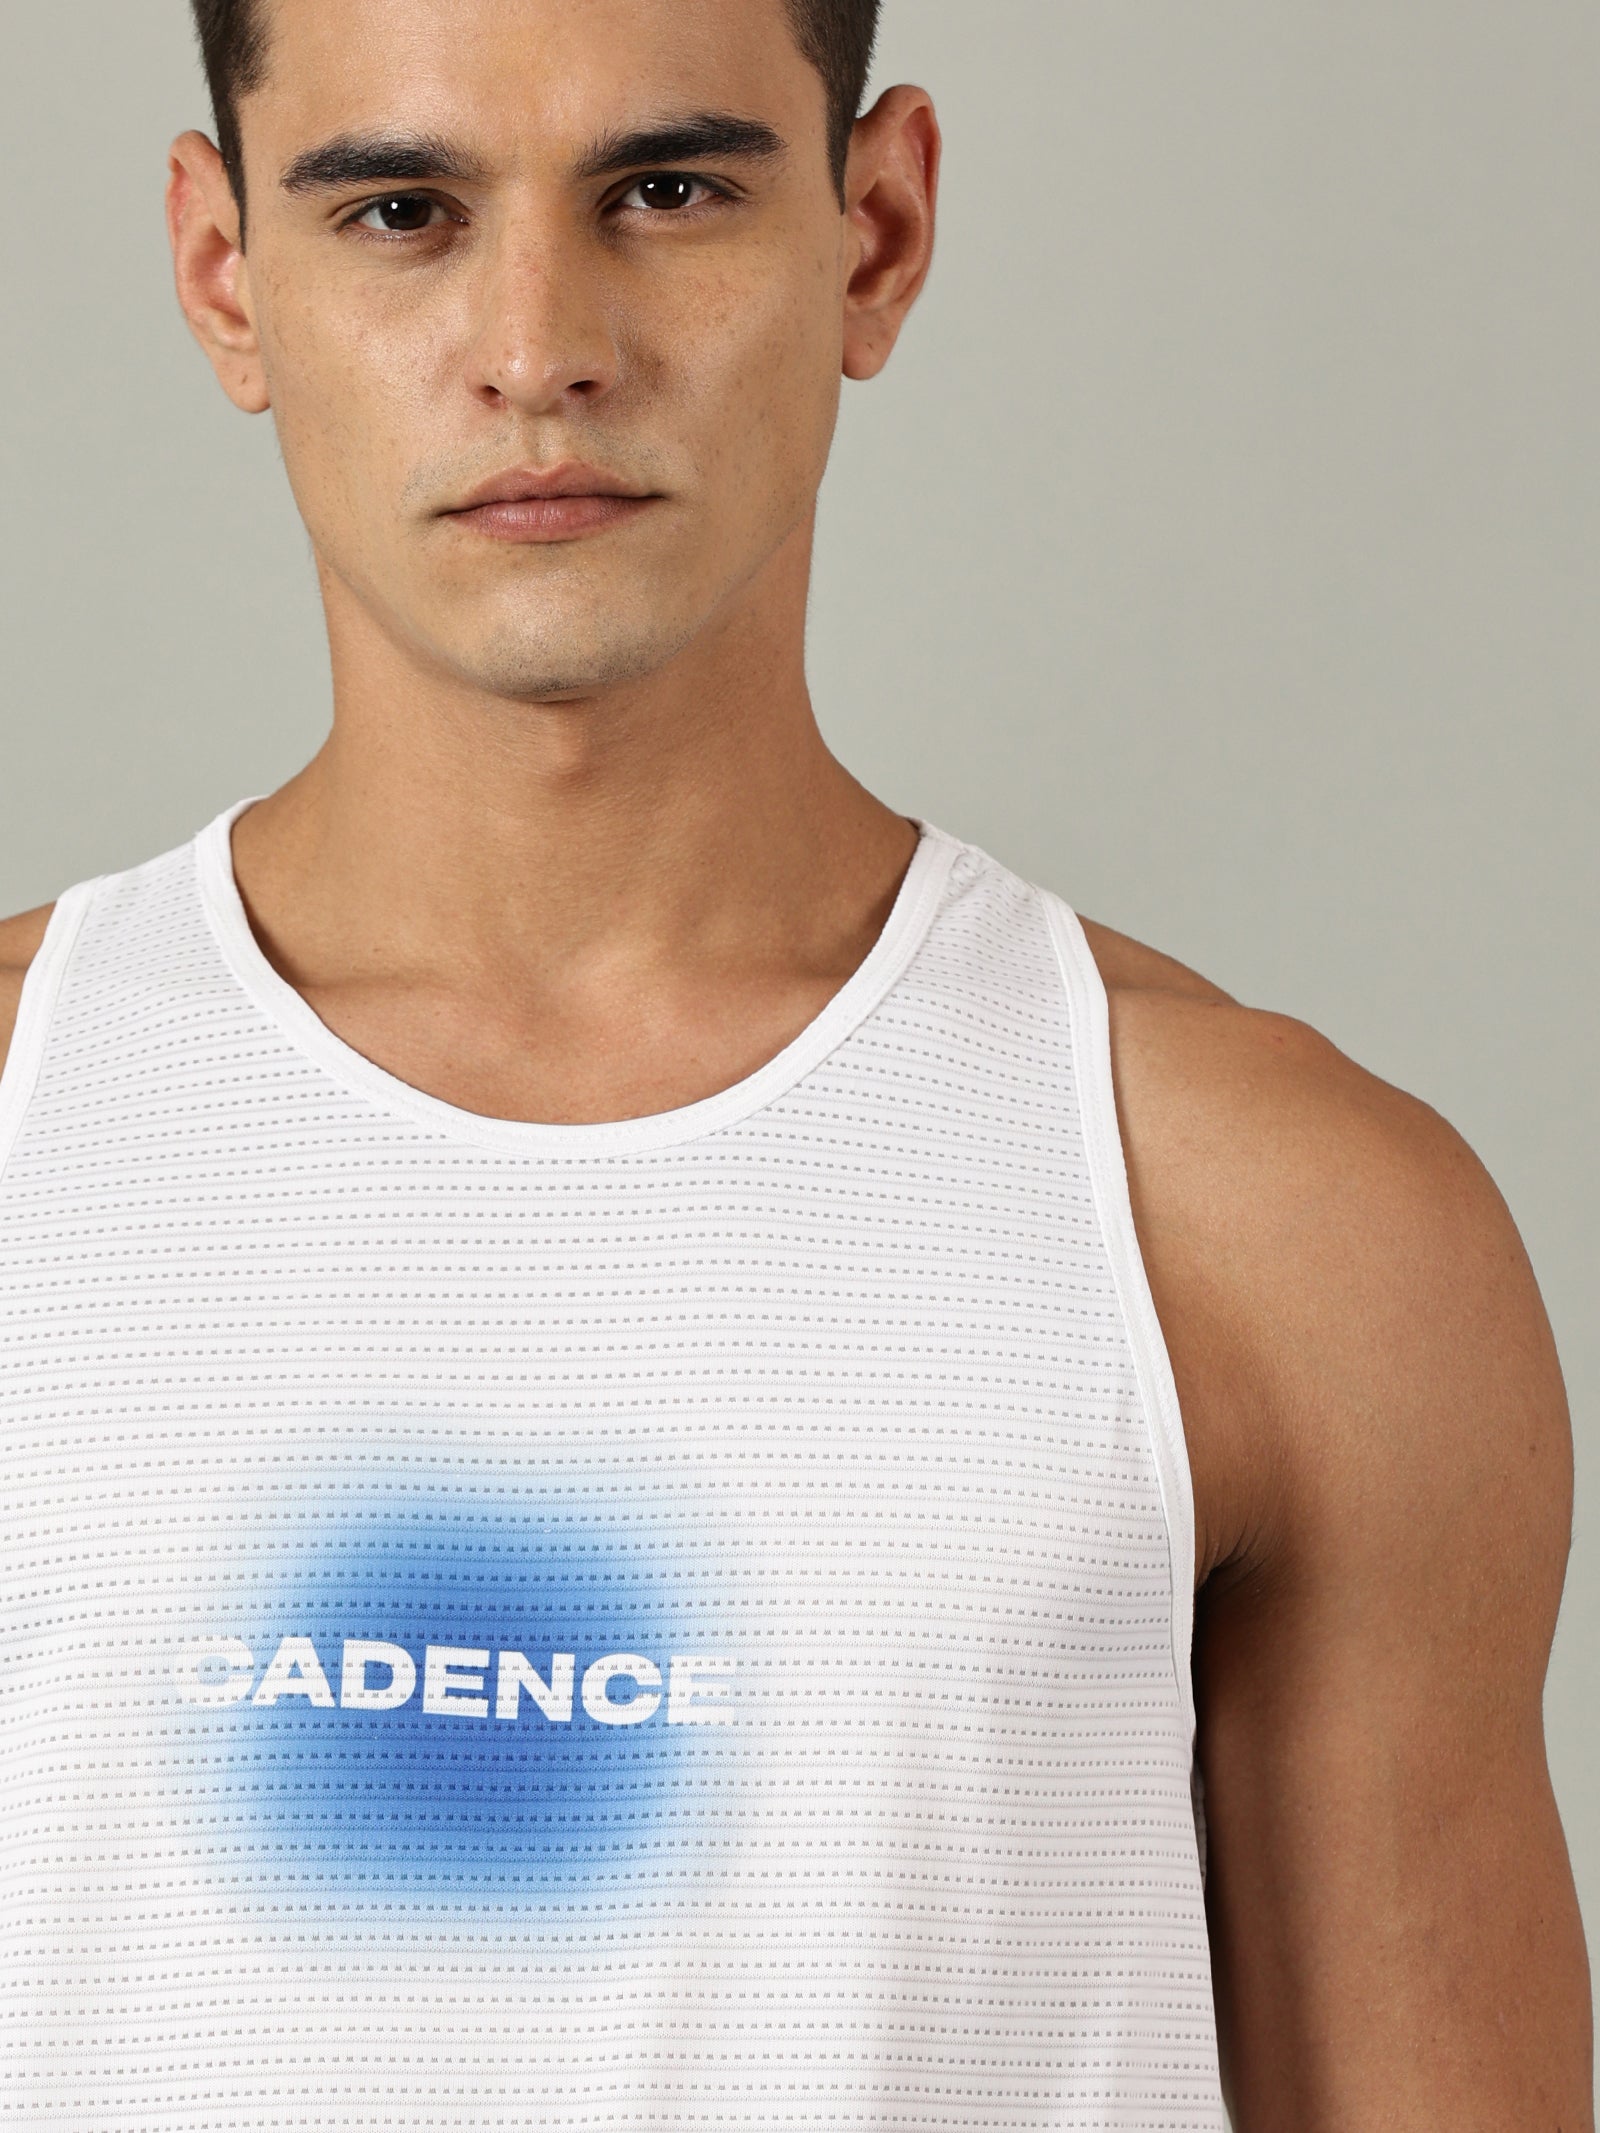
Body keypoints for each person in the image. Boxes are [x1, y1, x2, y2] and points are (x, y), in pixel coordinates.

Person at [0, 0, 1589, 2123]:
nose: (540, 347)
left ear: (875, 233)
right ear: (225, 273)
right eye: (401, 212)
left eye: (665, 191)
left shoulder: (1277, 1226)